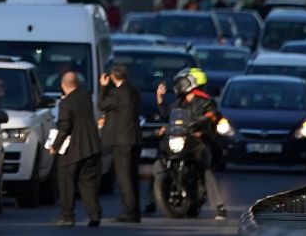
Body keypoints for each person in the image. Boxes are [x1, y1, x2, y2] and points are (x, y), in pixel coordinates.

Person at [153, 68, 226, 220]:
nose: (177, 85)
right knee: (159, 165)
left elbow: (212, 115)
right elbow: (168, 115)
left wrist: (201, 123)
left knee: (205, 169)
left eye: (180, 82)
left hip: (198, 141)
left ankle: (219, 207)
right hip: (181, 139)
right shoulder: (180, 102)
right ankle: (151, 201)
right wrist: (159, 99)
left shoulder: (205, 101)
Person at [47, 70, 103, 226]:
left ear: (63, 85)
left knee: (66, 182)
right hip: (92, 146)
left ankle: (67, 215)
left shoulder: (66, 103)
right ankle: (94, 214)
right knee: (88, 183)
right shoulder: (86, 97)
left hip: (73, 150)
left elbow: (65, 126)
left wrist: (55, 146)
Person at [97, 64, 142, 223]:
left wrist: (103, 87)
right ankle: (134, 210)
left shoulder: (118, 93)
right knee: (132, 176)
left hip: (122, 140)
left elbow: (101, 104)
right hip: (134, 137)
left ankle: (128, 210)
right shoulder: (133, 91)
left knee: (124, 177)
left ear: (113, 77)